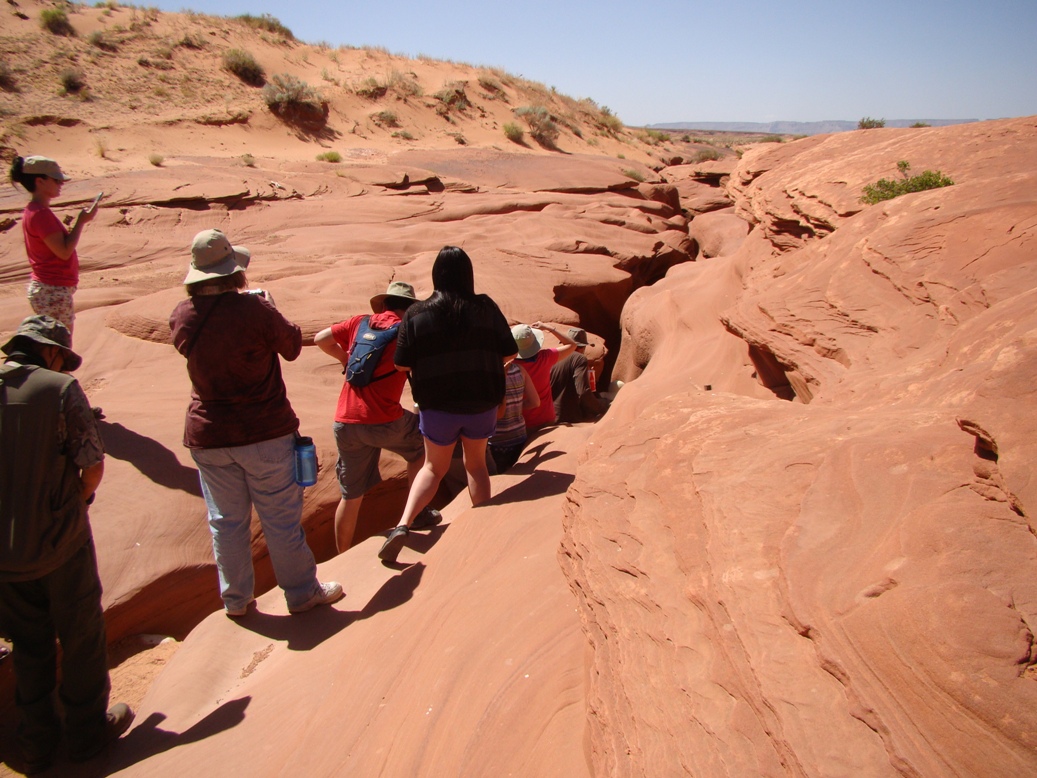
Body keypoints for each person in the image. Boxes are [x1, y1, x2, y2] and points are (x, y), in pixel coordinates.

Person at [169, 228, 342, 617]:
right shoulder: (254, 310)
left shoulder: (181, 315)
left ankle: (236, 600)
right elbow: (294, 347)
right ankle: (301, 593)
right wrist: (269, 308)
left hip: (208, 434)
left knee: (225, 523)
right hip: (264, 431)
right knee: (280, 520)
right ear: (234, 272)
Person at [0, 315, 133, 772]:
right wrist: (76, 504)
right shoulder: (59, 388)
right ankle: (86, 733)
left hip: (5, 550)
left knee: (28, 641)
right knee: (80, 633)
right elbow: (92, 462)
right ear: (51, 352)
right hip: (59, 540)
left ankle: (36, 739)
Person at [378, 246, 517, 562]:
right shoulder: (486, 307)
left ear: (436, 275)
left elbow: (401, 364)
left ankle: (402, 525)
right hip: (481, 402)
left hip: (437, 405)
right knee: (477, 464)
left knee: (433, 467)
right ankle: (482, 523)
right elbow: (509, 352)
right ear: (468, 274)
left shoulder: (416, 313)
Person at [314, 281, 442, 553]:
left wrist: (344, 359)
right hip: (385, 420)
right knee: (421, 445)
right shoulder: (407, 332)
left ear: (383, 304)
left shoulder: (359, 323)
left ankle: (342, 556)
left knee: (350, 497)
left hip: (346, 422)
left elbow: (320, 339)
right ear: (410, 309)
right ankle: (416, 512)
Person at [9, 156, 98, 337]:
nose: (61, 184)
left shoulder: (35, 210)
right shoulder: (40, 214)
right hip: (52, 290)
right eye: (56, 180)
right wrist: (81, 221)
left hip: (50, 289)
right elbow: (64, 252)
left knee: (55, 349)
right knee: (60, 351)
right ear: (40, 181)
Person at [512, 321, 579, 430]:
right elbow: (572, 345)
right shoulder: (545, 357)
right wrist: (549, 328)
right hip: (545, 419)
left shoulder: (510, 364)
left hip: (518, 421)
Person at [487, 359, 540, 473]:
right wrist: (515, 407)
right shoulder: (520, 370)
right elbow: (535, 402)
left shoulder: (487, 373)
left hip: (494, 440)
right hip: (518, 436)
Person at [549, 327, 610, 423]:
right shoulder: (579, 358)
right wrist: (602, 408)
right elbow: (583, 392)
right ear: (581, 347)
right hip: (568, 416)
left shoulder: (552, 355)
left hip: (550, 415)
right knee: (606, 402)